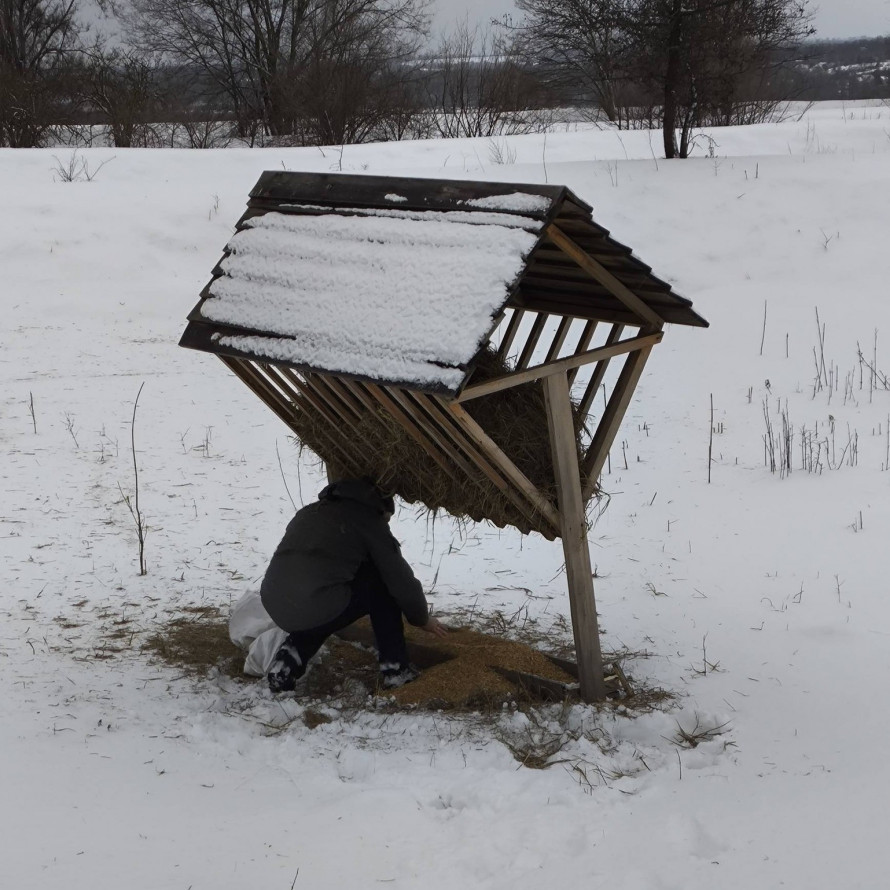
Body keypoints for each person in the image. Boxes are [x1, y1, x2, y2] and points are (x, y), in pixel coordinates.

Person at [260, 477, 447, 693]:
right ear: (381, 508)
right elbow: (400, 579)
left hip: (275, 601)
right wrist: (421, 618)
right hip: (312, 602)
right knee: (381, 586)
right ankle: (396, 669)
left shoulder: (311, 512)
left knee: (322, 600)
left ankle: (287, 663)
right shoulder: (367, 520)